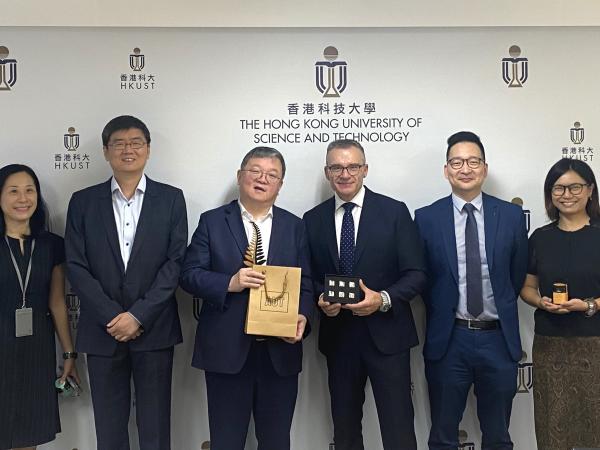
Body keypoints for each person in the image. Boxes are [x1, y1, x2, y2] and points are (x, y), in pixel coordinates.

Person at [65, 116, 187, 450]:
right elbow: (76, 265)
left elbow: (175, 263)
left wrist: (138, 316)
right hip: (102, 331)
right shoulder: (83, 202)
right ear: (106, 151)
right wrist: (112, 316)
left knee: (156, 427)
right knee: (109, 426)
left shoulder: (171, 199)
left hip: (155, 328)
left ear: (148, 149)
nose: (127, 149)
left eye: (136, 142)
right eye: (118, 143)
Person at [180, 146, 313, 450]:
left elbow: (306, 283)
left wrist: (302, 319)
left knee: (277, 440)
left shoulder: (294, 226)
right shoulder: (212, 222)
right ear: (240, 176)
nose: (262, 179)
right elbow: (189, 274)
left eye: (272, 175)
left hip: (279, 352)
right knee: (227, 441)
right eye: (255, 171)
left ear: (280, 185)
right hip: (227, 352)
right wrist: (230, 281)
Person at [303, 139, 426, 450]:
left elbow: (417, 273)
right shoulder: (312, 219)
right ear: (327, 172)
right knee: (344, 432)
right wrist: (321, 301)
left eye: (352, 166)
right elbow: (309, 278)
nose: (345, 174)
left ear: (365, 169)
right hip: (339, 338)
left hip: (388, 338)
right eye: (336, 167)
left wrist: (382, 299)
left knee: (398, 429)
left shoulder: (394, 212)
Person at [414, 131, 528, 450]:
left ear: (485, 168)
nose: (466, 168)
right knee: (443, 435)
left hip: (497, 338)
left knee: (498, 436)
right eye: (457, 161)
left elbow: (515, 275)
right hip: (449, 339)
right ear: (446, 170)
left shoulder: (510, 216)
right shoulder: (426, 218)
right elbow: (423, 278)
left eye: (473, 161)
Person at [520, 158, 600, 450]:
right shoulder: (540, 238)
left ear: (590, 190)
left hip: (595, 345)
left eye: (575, 187)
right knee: (552, 429)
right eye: (558, 188)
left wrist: (589, 305)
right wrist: (540, 302)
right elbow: (527, 287)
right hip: (550, 346)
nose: (567, 194)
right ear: (550, 194)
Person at [0, 164, 78, 450]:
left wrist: (69, 353)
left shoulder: (51, 245)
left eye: (29, 190)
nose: (23, 199)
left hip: (36, 349)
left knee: (28, 434)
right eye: (13, 191)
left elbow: (57, 302)